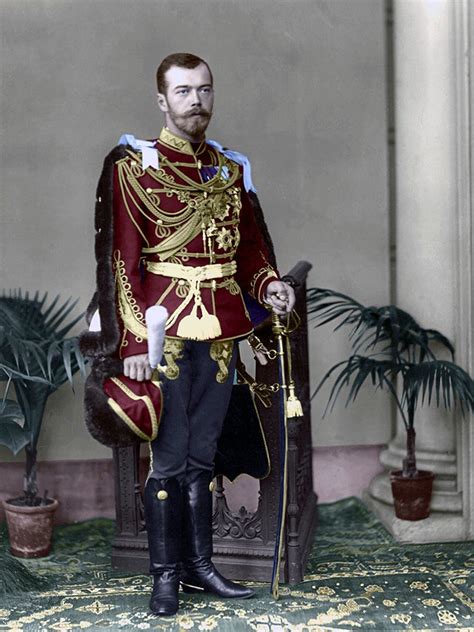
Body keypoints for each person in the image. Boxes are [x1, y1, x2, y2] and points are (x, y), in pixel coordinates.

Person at [111, 52, 295, 616]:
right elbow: (124, 264)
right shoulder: (134, 169)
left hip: (218, 332)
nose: (197, 102)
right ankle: (164, 575)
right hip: (163, 333)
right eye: (184, 92)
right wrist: (137, 345)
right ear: (161, 100)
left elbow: (249, 253)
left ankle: (200, 568)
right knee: (167, 461)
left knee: (201, 457)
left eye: (205, 90)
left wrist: (267, 288)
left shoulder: (230, 170)